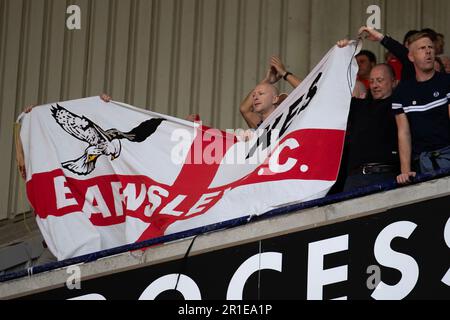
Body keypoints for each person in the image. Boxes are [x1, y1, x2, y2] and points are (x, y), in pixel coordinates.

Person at [335, 40, 400, 191]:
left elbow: (409, 60)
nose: (375, 85)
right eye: (371, 81)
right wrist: (342, 55)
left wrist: (381, 38)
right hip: (354, 179)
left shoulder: (399, 104)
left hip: (385, 175)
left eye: (380, 80)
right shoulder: (360, 106)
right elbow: (326, 96)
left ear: (394, 82)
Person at [391, 32, 450, 184]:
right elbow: (403, 133)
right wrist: (405, 171)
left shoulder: (447, 81)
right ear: (411, 57)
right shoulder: (401, 92)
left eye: (430, 47)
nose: (428, 51)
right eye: (422, 48)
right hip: (422, 163)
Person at [239, 56, 301, 129]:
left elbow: (309, 90)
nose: (255, 98)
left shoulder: (289, 119)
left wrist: (284, 73)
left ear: (274, 99)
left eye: (261, 93)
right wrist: (267, 81)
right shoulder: (260, 127)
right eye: (253, 95)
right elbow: (244, 109)